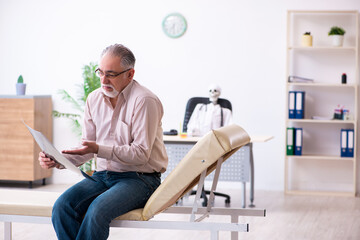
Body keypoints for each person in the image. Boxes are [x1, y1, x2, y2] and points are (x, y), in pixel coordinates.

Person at [38, 44, 168, 240]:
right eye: (100, 72)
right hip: (102, 176)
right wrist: (57, 160)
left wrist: (99, 148)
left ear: (130, 74)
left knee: (97, 210)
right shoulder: (94, 99)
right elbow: (88, 149)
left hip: (140, 179)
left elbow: (141, 153)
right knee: (62, 207)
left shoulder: (144, 101)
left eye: (111, 74)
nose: (103, 80)